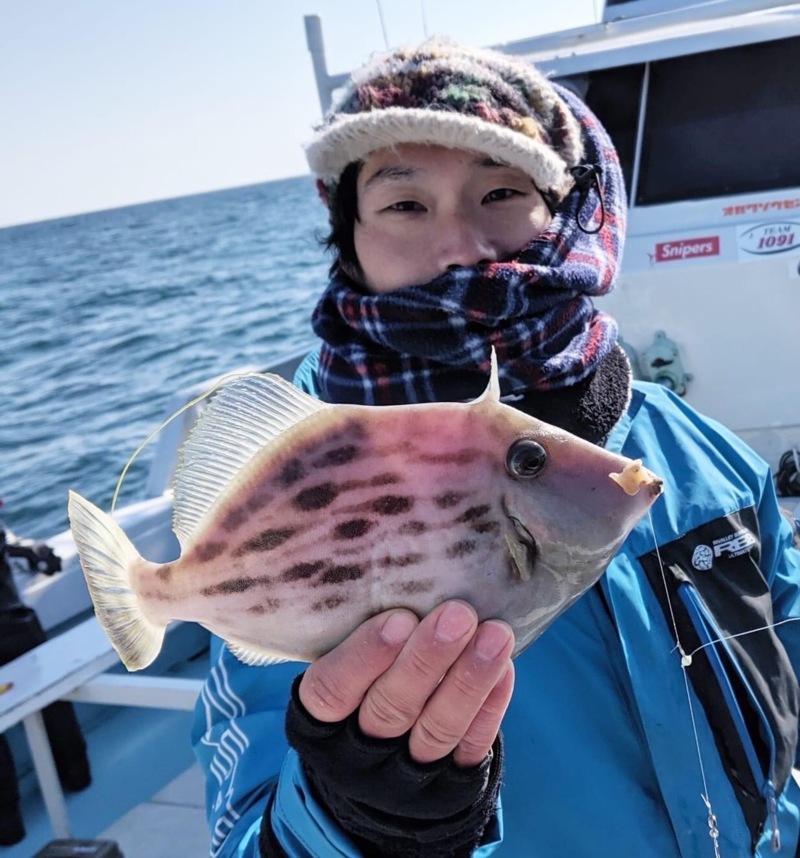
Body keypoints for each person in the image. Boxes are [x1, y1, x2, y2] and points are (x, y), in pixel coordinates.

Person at [191, 39, 800, 857]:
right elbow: (246, 826)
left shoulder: (699, 454)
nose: (459, 245)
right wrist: (362, 820)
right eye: (404, 203)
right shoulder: (304, 487)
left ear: (567, 208)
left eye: (502, 191)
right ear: (348, 233)